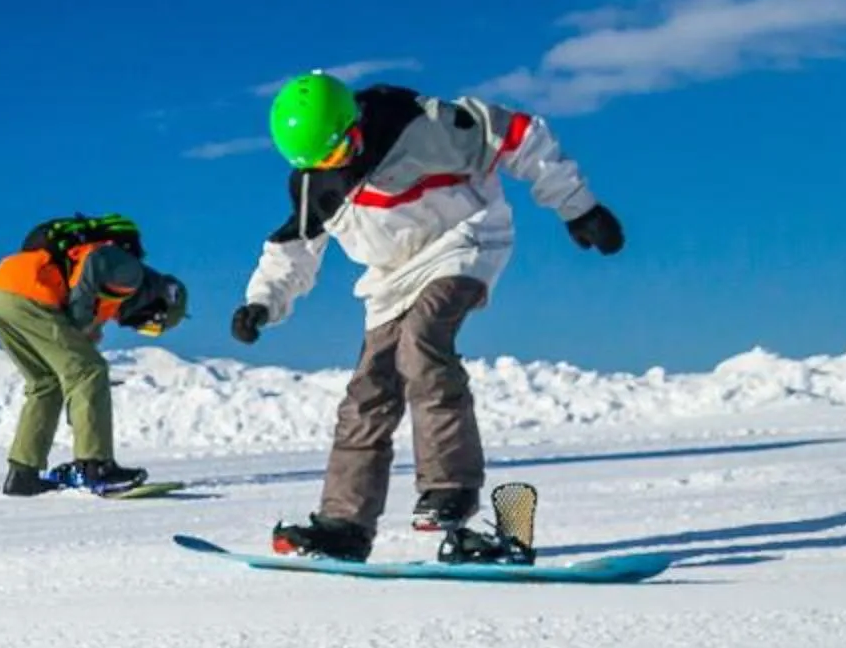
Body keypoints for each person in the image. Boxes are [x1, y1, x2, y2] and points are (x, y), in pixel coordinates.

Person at [233, 72, 623, 560]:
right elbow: (292, 251)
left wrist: (578, 207)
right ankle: (345, 525)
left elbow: (520, 136)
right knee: (366, 394)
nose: (336, 166)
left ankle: (450, 488)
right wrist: (262, 303)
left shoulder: (422, 123)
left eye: (337, 152)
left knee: (422, 341)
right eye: (320, 162)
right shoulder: (316, 182)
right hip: (392, 277)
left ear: (353, 121)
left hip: (464, 240)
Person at [0, 218, 188, 496]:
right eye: (150, 325)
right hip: (31, 292)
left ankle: (23, 475)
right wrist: (78, 322)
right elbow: (94, 263)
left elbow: (84, 298)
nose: (139, 328)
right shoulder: (131, 272)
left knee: (46, 383)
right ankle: (97, 467)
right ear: (159, 305)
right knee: (91, 370)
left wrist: (83, 331)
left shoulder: (113, 296)